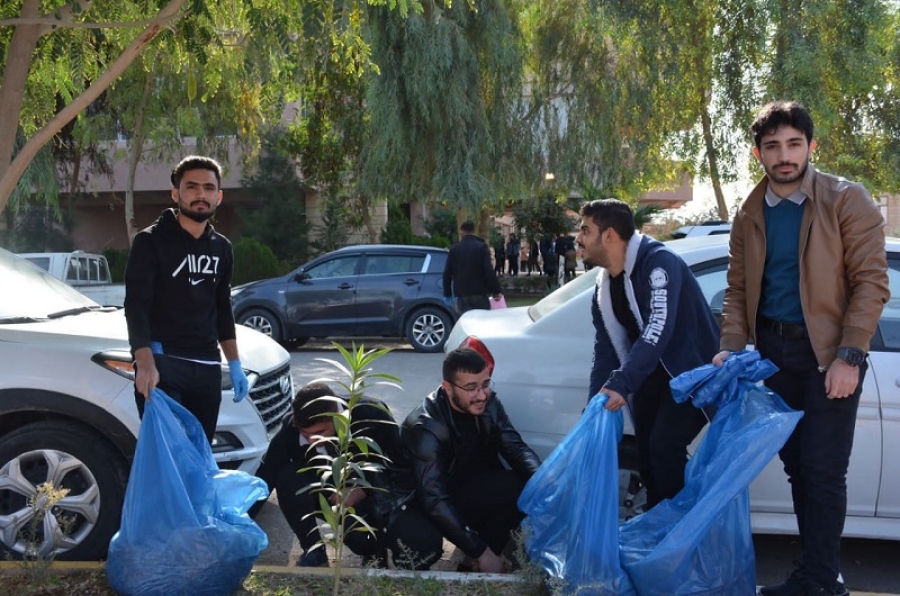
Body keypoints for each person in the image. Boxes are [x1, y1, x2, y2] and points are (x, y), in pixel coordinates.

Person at [713, 101, 889, 596]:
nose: (784, 155)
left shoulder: (846, 200)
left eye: (794, 144)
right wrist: (731, 347)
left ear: (812, 147)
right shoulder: (749, 211)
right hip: (773, 354)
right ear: (758, 153)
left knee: (824, 469)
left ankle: (820, 579)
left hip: (829, 356)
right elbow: (737, 290)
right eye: (772, 147)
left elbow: (871, 284)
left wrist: (850, 356)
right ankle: (820, 575)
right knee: (797, 468)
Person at [576, 198, 719, 509]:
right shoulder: (604, 287)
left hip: (689, 373)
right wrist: (594, 405)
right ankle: (656, 532)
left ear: (609, 235)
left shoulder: (659, 264)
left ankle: (673, 536)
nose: (578, 239)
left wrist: (623, 382)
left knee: (665, 448)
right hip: (650, 378)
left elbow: (657, 328)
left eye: (585, 230)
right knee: (648, 457)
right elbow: (606, 349)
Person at [253, 381, 443, 569]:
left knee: (377, 543)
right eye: (305, 433)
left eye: (320, 432)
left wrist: (364, 488)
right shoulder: (291, 427)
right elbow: (266, 475)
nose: (312, 440)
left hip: (375, 494)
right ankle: (314, 550)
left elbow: (399, 466)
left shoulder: (372, 414)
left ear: (336, 417)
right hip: (331, 493)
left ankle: (375, 552)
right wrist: (238, 521)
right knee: (287, 477)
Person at [125, 155, 248, 442]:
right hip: (163, 364)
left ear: (218, 196)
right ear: (176, 193)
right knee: (166, 455)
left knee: (199, 453)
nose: (200, 195)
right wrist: (144, 362)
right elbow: (136, 305)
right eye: (191, 187)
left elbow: (222, 308)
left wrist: (235, 364)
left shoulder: (222, 248)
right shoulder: (150, 241)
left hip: (206, 367)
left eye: (208, 188)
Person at [401, 348, 541, 573]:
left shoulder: (489, 403)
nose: (482, 395)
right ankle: (481, 557)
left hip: (466, 490)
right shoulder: (426, 427)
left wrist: (545, 486)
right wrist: (481, 551)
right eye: (471, 388)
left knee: (524, 486)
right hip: (427, 502)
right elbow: (433, 499)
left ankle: (472, 565)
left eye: (485, 384)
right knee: (423, 545)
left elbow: (516, 449)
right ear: (448, 388)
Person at [444, 221, 504, 313]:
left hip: (462, 293)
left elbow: (447, 273)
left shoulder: (454, 249)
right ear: (474, 231)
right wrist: (496, 290)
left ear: (461, 231)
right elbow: (488, 270)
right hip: (479, 292)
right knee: (481, 323)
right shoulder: (482, 247)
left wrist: (447, 293)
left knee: (466, 323)